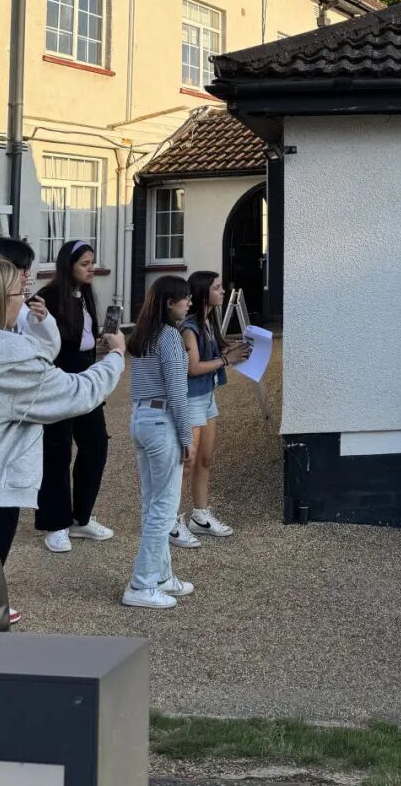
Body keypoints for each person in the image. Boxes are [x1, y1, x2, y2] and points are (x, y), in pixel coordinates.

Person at [0, 258, 123, 635]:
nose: (24, 301)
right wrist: (116, 357)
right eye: (19, 294)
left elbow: (40, 358)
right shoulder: (9, 360)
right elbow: (79, 393)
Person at [0, 237, 61, 622]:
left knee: (3, 515)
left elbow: (44, 357)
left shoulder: (23, 310)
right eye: (21, 269)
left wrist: (43, 324)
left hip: (10, 438)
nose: (28, 277)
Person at [34, 240, 114, 552]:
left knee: (96, 443)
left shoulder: (85, 295)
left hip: (86, 379)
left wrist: (99, 344)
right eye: (85, 264)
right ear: (69, 266)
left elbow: (82, 337)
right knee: (57, 450)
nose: (91, 268)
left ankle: (81, 516)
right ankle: (55, 523)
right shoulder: (48, 297)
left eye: (92, 262)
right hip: (58, 382)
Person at [123, 275, 196, 610]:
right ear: (170, 303)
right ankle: (142, 583)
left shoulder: (143, 334)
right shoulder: (169, 336)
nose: (189, 303)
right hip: (161, 421)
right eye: (185, 298)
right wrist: (186, 435)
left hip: (141, 418)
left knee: (153, 504)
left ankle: (162, 575)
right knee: (164, 510)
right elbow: (177, 391)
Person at [169, 271, 250, 548]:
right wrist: (227, 360)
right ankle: (171, 521)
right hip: (191, 399)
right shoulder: (189, 327)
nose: (222, 292)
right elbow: (192, 368)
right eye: (217, 288)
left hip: (206, 398)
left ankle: (200, 516)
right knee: (187, 463)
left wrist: (234, 353)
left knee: (204, 460)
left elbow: (212, 356)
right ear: (204, 292)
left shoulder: (208, 322)